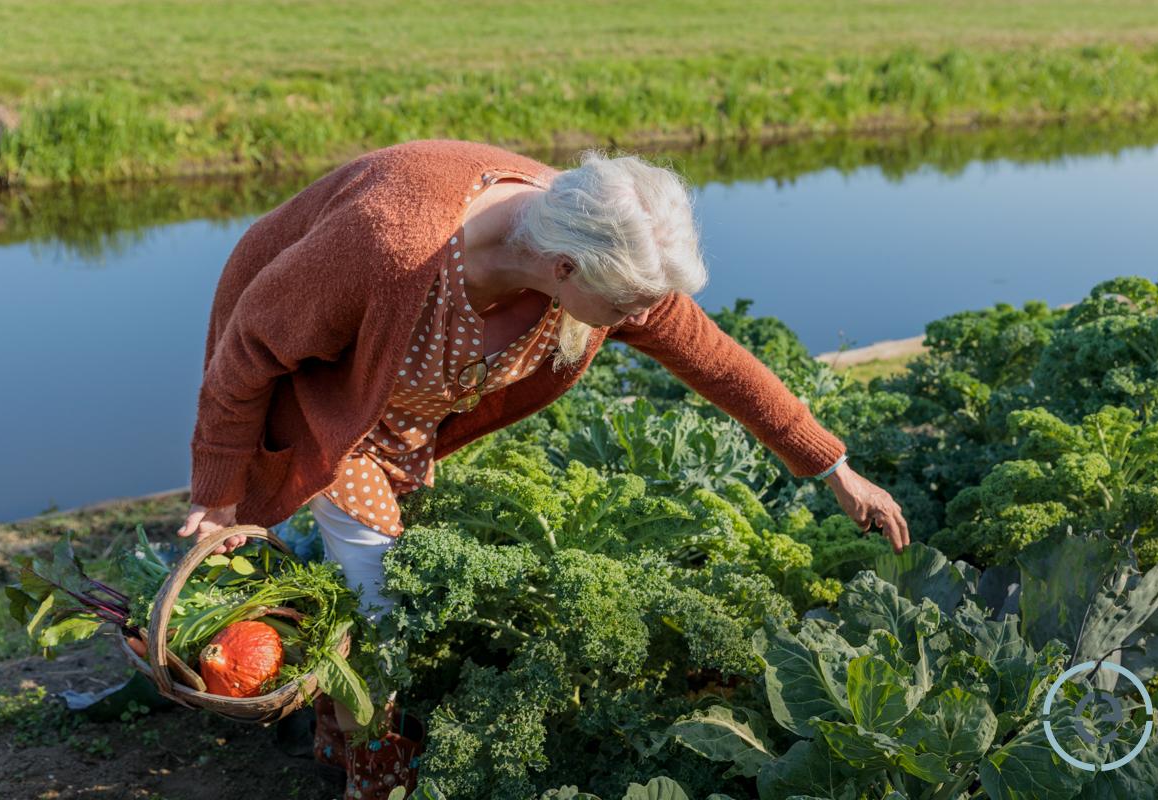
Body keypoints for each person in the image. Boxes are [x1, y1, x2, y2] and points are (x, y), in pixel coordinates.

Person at [175, 139, 909, 797]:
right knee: (380, 600)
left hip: (405, 418)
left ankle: (332, 737)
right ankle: (376, 773)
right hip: (320, 391)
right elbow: (251, 351)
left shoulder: (600, 245)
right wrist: (221, 491)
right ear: (562, 267)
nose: (638, 316)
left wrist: (831, 466)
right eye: (626, 304)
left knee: (373, 583)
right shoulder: (392, 244)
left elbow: (718, 362)